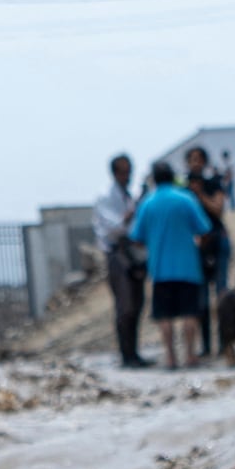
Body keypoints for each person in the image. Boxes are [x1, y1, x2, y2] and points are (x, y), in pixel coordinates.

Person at [128, 160, 213, 370]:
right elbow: (204, 228)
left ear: (154, 179)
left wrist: (153, 241)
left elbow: (136, 237)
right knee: (189, 313)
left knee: (164, 315)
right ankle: (191, 355)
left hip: (160, 268)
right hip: (188, 265)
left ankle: (171, 357)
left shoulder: (148, 203)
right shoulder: (186, 199)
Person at [93, 153, 151, 368]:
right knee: (125, 305)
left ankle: (134, 352)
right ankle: (126, 354)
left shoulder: (129, 195)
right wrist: (132, 212)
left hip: (134, 253)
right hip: (117, 254)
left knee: (137, 303)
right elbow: (114, 228)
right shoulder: (105, 197)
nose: (128, 176)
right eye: (124, 171)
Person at [184, 146, 229, 357]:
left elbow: (218, 209)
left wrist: (200, 194)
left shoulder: (213, 183)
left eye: (199, 159)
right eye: (192, 159)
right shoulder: (182, 188)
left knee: (221, 294)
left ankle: (224, 342)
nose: (196, 163)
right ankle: (206, 346)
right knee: (201, 299)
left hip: (217, 242)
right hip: (196, 248)